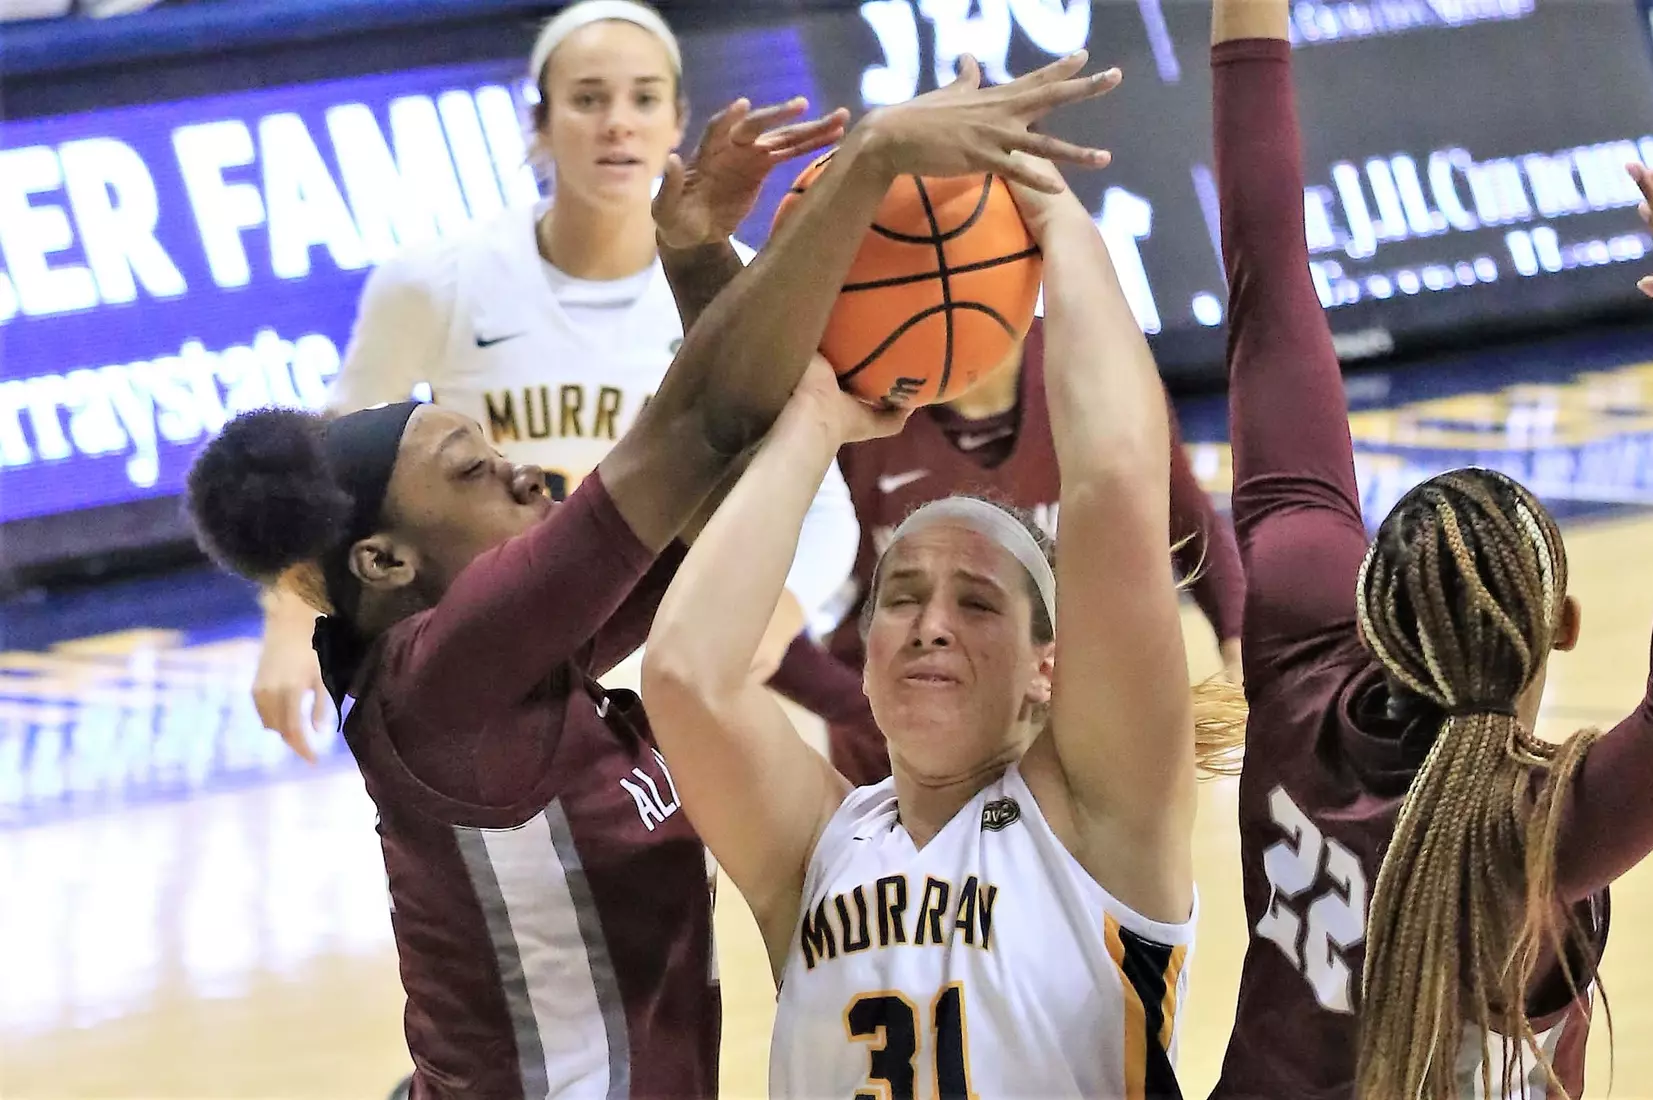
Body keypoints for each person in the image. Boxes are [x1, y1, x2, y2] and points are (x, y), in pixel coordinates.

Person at [180, 52, 1117, 1100]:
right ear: (387, 561)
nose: (520, 469)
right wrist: (870, 163)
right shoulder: (445, 677)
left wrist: (696, 252)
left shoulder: (515, 662)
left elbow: (732, 464)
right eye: (471, 472)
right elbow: (704, 423)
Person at [636, 69, 1246, 1098]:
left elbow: (1116, 482)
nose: (927, 621)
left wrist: (1041, 199)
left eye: (976, 601)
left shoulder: (1103, 823)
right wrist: (814, 420)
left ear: (1047, 668)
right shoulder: (817, 845)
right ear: (861, 652)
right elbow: (686, 676)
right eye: (901, 594)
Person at [1203, 4, 1653, 1098]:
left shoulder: (1296, 658)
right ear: (1558, 623)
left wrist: (1245, 17)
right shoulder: (1532, 835)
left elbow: (1269, 288)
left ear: (1367, 598)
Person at [251, 0, 860, 759]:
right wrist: (288, 627)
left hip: (695, 653)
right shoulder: (438, 281)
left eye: (643, 98)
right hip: (503, 671)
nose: (617, 123)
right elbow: (328, 484)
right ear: (538, 123)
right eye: (587, 98)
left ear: (677, 121)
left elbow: (823, 505)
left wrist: (772, 618)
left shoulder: (733, 285)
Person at [770, 320, 1247, 785]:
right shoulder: (849, 402)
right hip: (898, 765)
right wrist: (868, 715)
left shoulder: (1098, 369)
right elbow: (753, 618)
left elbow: (1187, 516)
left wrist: (1241, 640)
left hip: (1070, 747)